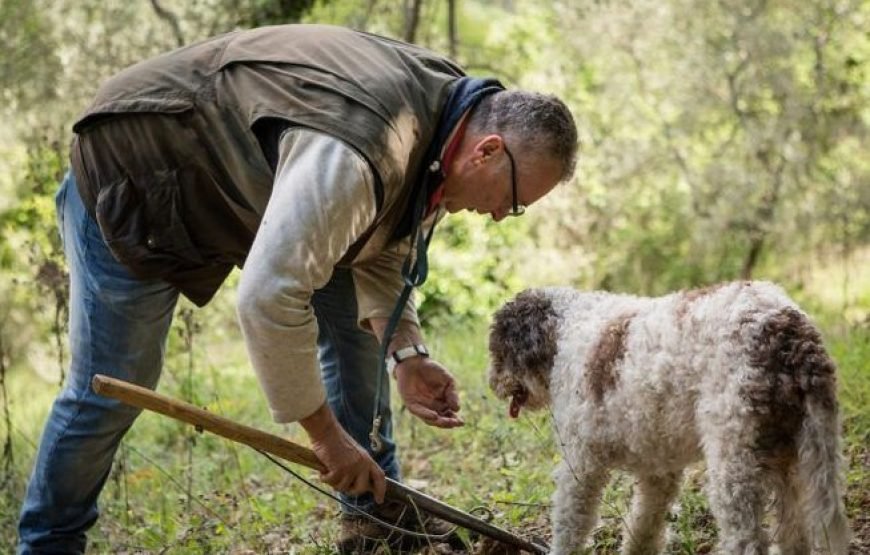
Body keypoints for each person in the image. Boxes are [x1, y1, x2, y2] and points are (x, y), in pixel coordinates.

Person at [17, 23, 578, 554]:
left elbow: (386, 241)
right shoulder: (358, 149)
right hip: (137, 170)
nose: (504, 216)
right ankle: (48, 543)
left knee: (359, 331)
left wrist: (408, 354)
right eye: (515, 199)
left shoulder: (449, 119)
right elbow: (268, 298)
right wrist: (326, 439)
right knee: (112, 383)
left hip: (247, 186)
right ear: (489, 150)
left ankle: (373, 517)